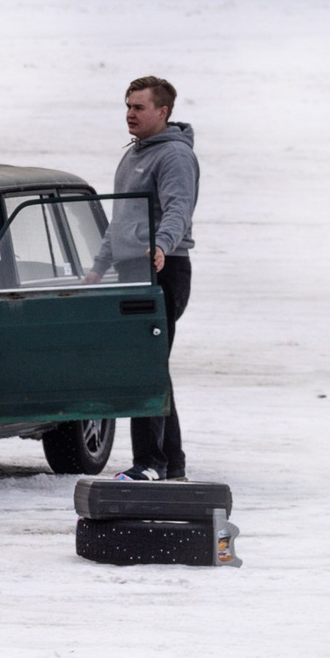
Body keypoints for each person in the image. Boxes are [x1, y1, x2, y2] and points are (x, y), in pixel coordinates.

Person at [115, 75, 199, 480]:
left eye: (139, 107)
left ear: (162, 112)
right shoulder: (134, 154)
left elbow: (178, 209)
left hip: (164, 268)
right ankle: (171, 463)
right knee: (151, 367)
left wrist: (163, 245)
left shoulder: (174, 157)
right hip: (132, 267)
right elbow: (123, 218)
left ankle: (150, 463)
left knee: (144, 367)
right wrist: (98, 264)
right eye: (128, 106)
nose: (130, 114)